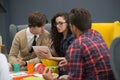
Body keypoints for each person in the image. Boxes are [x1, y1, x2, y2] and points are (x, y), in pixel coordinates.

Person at [43, 8, 115, 80]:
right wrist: (69, 64)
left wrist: (51, 79)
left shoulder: (76, 46)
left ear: (72, 26)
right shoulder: (96, 34)